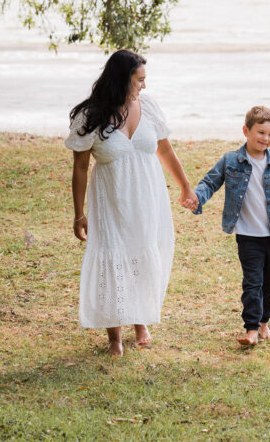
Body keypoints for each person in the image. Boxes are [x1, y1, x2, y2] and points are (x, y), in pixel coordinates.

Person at [66, 50, 194, 356]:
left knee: (142, 253)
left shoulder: (147, 107)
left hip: (148, 197)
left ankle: (140, 320)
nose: (144, 86)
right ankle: (115, 336)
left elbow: (164, 151)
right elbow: (80, 168)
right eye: (140, 80)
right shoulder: (90, 116)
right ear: (122, 79)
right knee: (113, 257)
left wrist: (186, 186)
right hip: (111, 200)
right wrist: (78, 214)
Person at [182, 105, 270, 346]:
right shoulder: (230, 161)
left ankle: (265, 324)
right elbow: (209, 182)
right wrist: (196, 198)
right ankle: (252, 329)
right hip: (247, 235)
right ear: (246, 131)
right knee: (253, 281)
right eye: (261, 133)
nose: (266, 139)